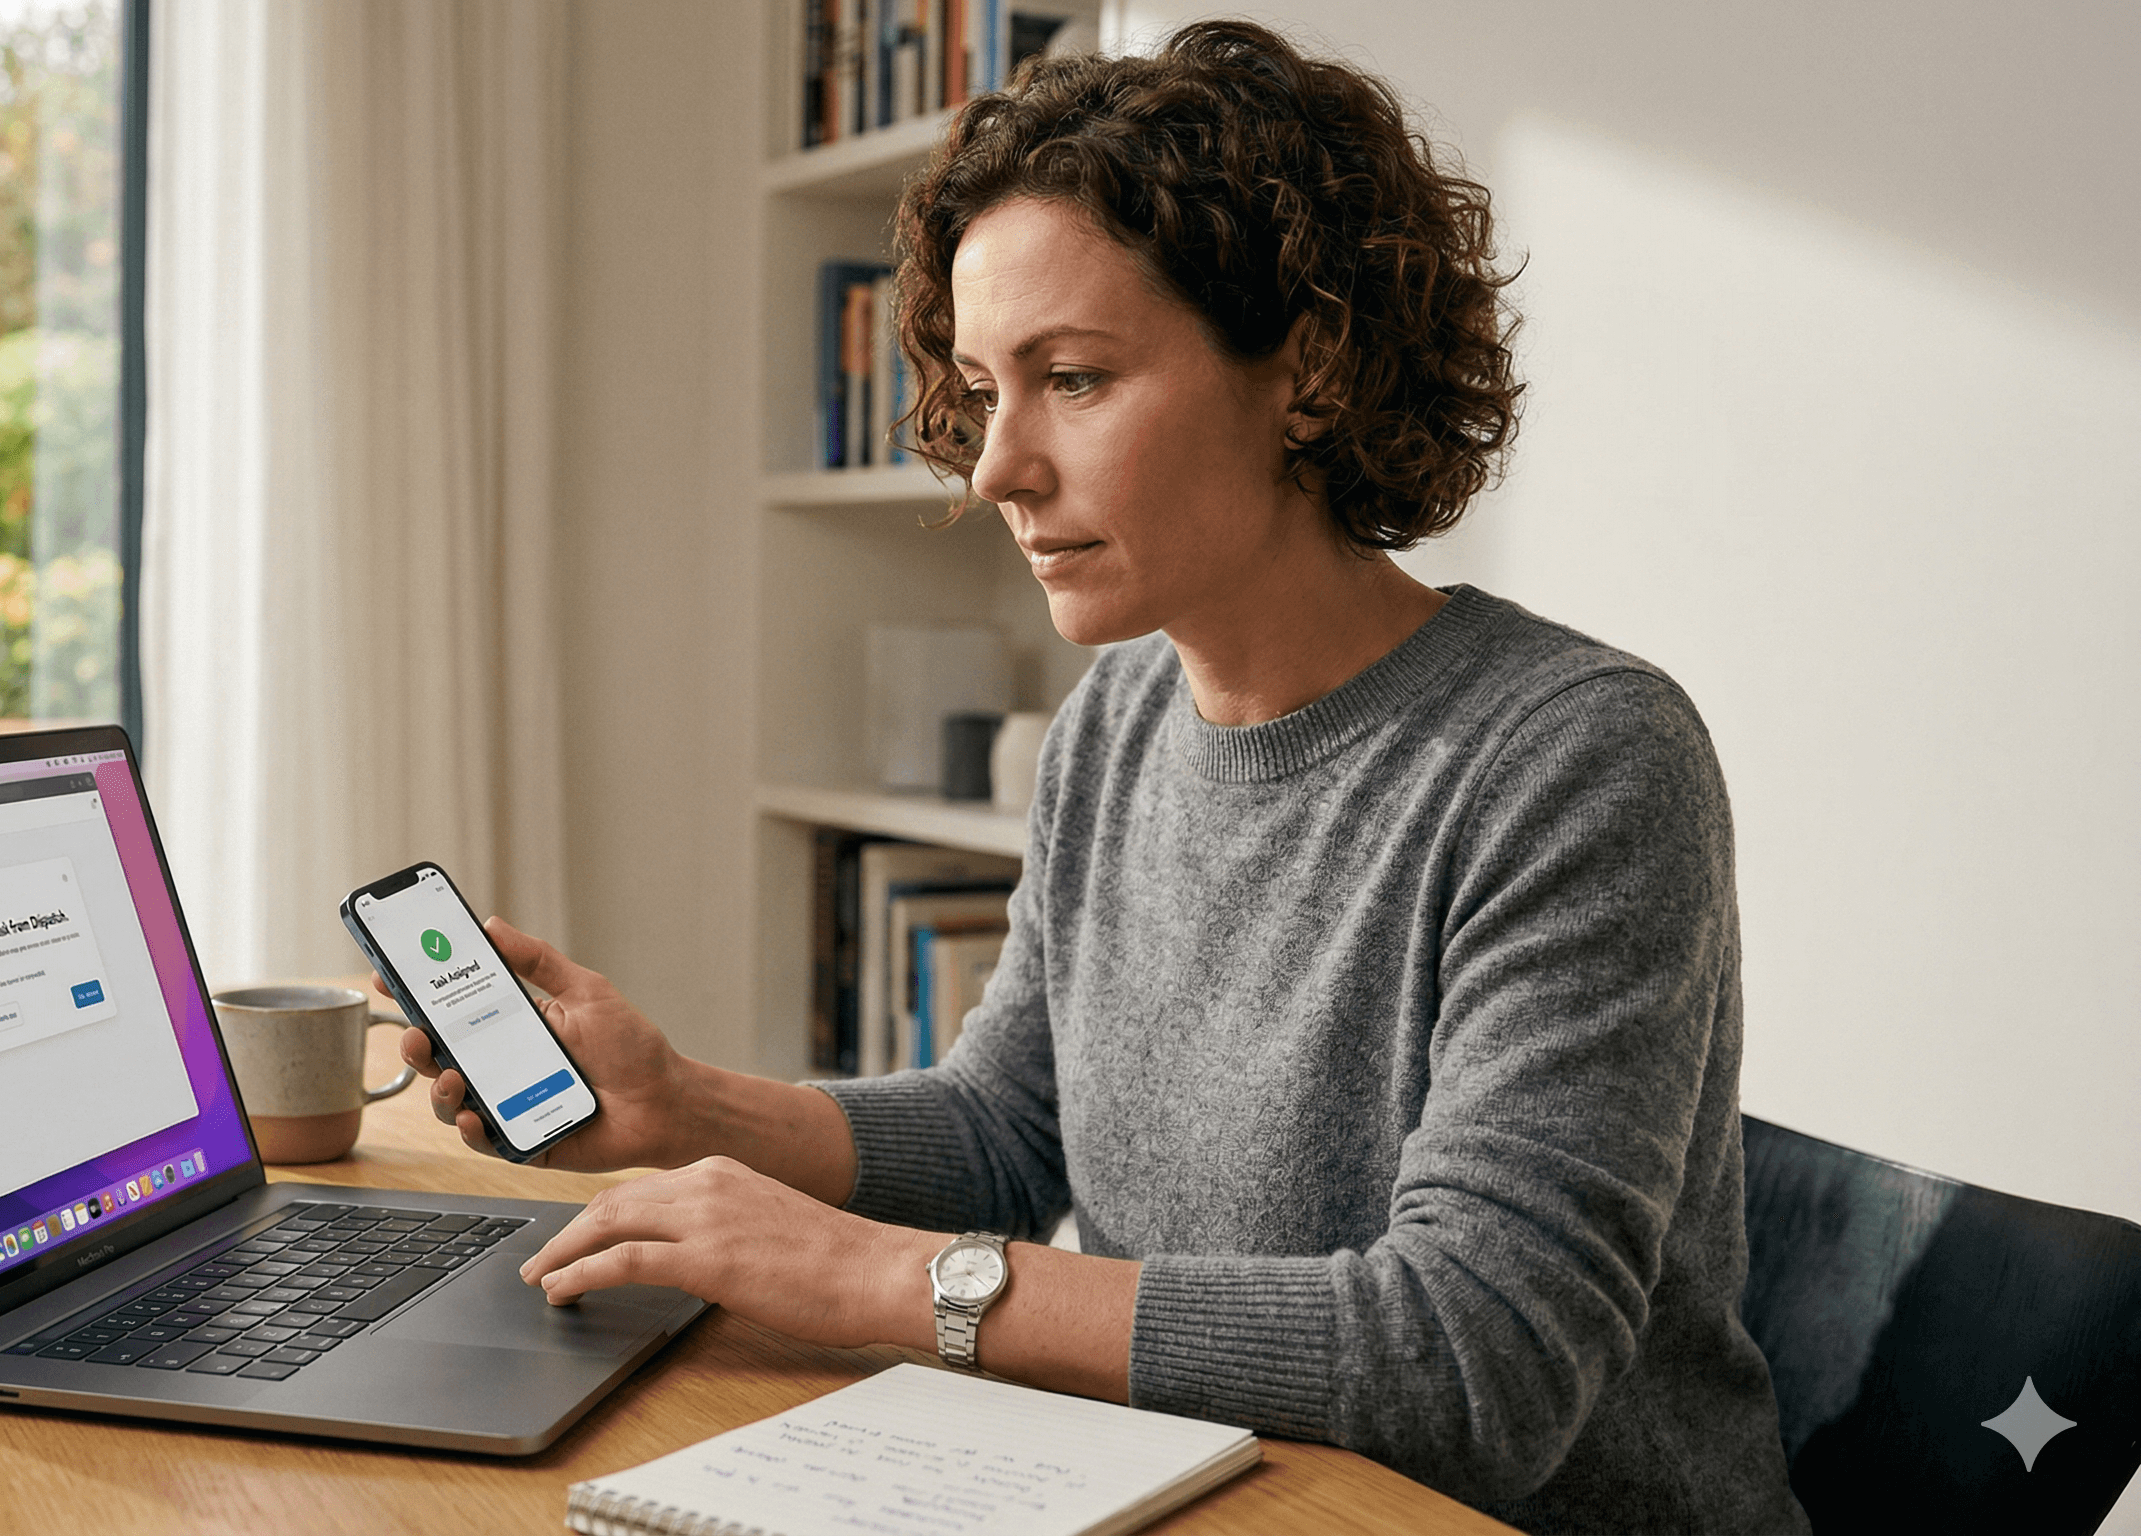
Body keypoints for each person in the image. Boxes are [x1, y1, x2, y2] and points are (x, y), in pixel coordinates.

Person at [391, 20, 1804, 1534]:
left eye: (1071, 379)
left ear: (1309, 368)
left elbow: (1473, 1365)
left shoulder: (1577, 758)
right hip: (1196, 1490)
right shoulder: (1123, 715)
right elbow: (1012, 1129)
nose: (997, 466)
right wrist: (685, 1103)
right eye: (986, 389)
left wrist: (876, 1278)